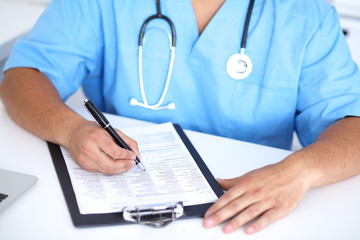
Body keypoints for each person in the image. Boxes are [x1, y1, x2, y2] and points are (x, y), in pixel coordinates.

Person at [1, 0, 360, 235]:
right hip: (126, 207)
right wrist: (72, 128)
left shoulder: (306, 16)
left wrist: (300, 171)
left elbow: (353, 123)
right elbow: (22, 76)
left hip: (243, 214)